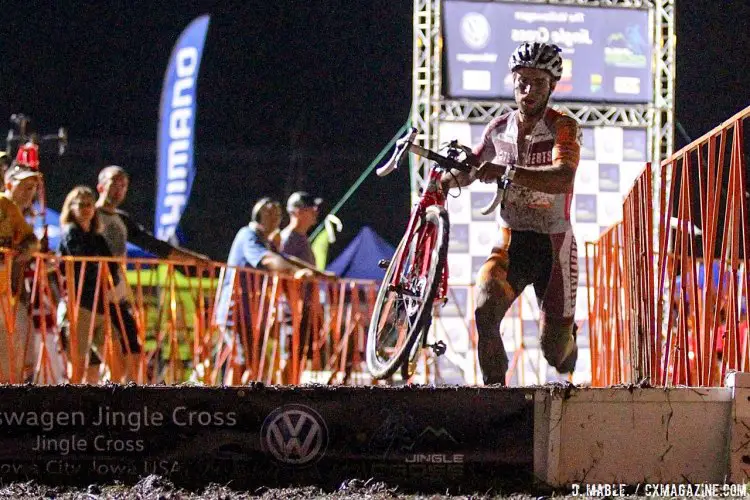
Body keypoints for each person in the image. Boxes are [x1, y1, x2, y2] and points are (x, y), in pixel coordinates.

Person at [440, 42, 581, 385]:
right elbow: (472, 169)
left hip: (553, 246)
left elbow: (563, 177)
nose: (527, 91)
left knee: (553, 352)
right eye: (521, 82)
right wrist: (442, 183)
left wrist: (509, 171)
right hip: (511, 241)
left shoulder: (563, 126)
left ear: (551, 86)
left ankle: (567, 346)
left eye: (537, 82)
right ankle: (495, 396)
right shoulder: (498, 127)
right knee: (484, 309)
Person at [95, 165, 209, 382]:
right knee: (107, 358)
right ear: (100, 186)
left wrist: (194, 259)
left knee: (134, 354)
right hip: (91, 295)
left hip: (116, 295)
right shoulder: (88, 214)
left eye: (123, 185)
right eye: (114, 182)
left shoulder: (122, 220)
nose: (118, 189)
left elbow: (155, 246)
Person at [214, 197, 333, 384]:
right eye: (271, 213)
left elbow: (286, 258)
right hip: (235, 311)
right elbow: (269, 259)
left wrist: (318, 274)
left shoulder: (265, 241)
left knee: (251, 362)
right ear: (259, 214)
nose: (277, 218)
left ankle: (234, 399)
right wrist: (296, 273)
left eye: (278, 214)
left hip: (251, 314)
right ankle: (231, 403)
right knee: (246, 362)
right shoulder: (248, 235)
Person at [57, 186, 122, 383]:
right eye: (81, 204)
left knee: (116, 357)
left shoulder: (98, 237)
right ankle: (72, 407)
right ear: (72, 208)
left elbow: (111, 267)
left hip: (100, 303)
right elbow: (80, 261)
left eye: (89, 204)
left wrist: (106, 275)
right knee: (77, 364)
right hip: (80, 303)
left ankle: (112, 400)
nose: (86, 208)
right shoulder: (71, 233)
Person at [0, 164, 41, 382]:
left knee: (15, 352)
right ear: (8, 184)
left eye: (32, 187)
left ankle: (13, 406)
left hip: (10, 294)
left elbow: (31, 240)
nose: (30, 192)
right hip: (9, 295)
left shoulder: (9, 208)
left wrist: (25, 251)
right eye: (24, 186)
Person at [280, 191, 322, 265]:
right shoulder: (288, 239)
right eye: (310, 208)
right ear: (297, 211)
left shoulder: (300, 237)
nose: (316, 212)